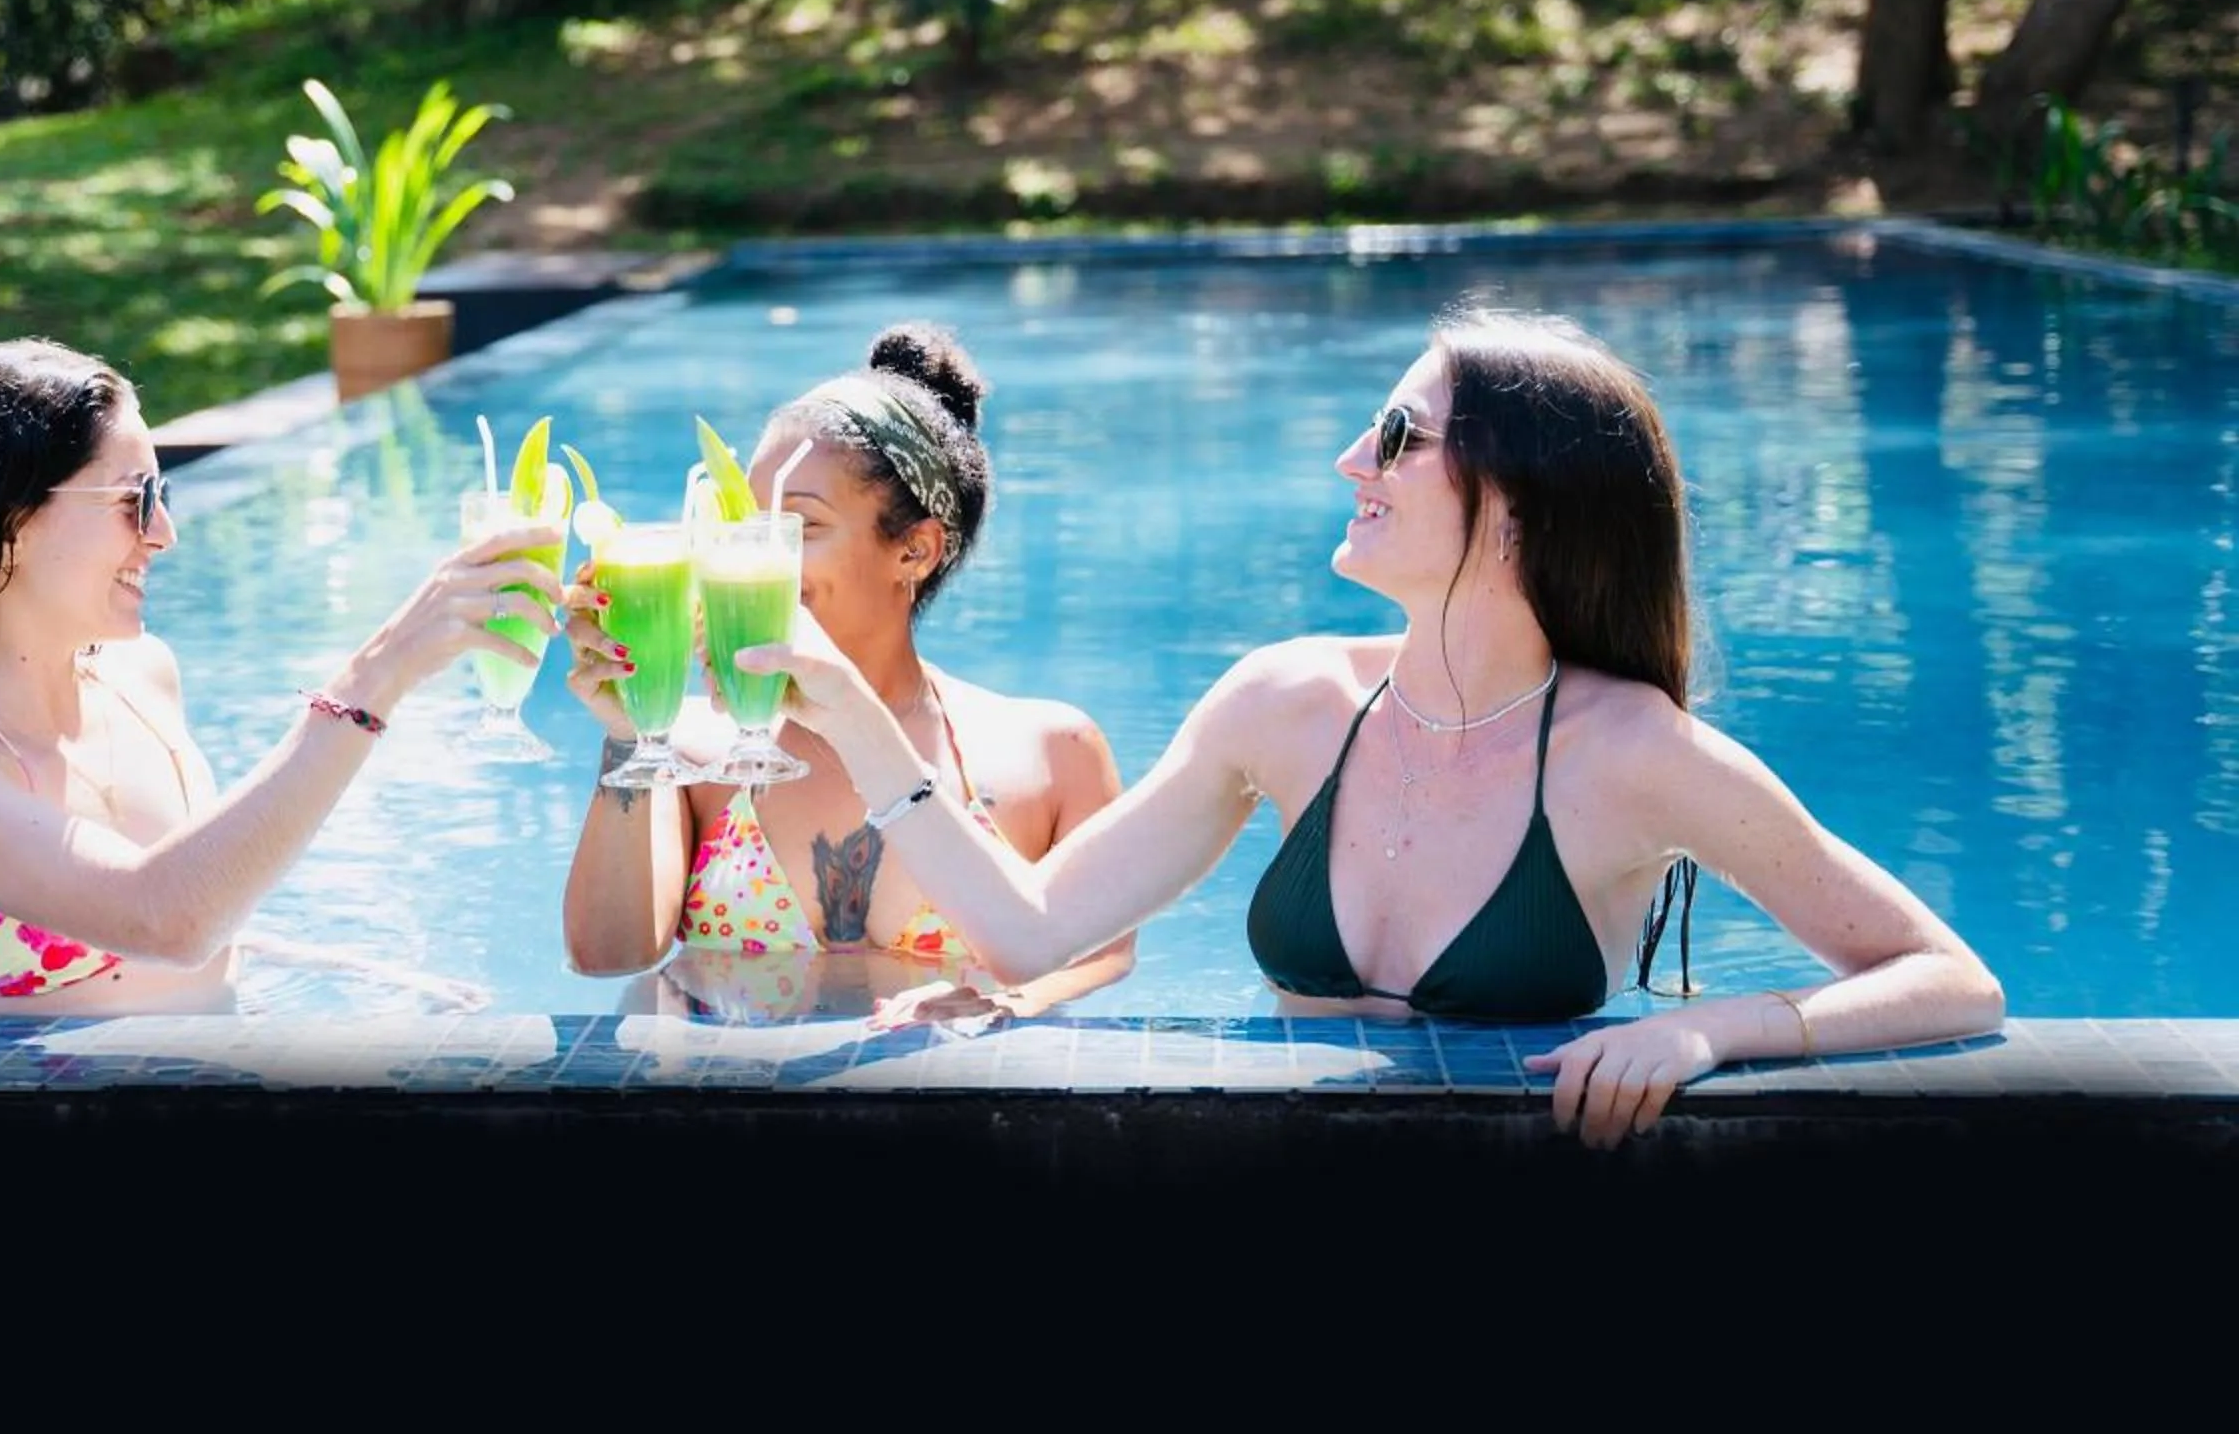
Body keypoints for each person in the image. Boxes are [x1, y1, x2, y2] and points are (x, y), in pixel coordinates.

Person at [736, 307, 2007, 1141]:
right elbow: (1024, 935)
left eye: (1398, 436)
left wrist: (1705, 1027)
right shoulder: (1285, 705)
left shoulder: (1632, 755)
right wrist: (851, 714)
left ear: (1515, 504)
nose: (1353, 456)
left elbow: (1950, 981)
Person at [0, 338, 564, 1015]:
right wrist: (376, 676)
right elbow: (163, 922)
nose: (163, 535)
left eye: (162, 497)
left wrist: (362, 974)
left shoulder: (141, 678)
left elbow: (196, 935)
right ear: (6, 520)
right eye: (132, 501)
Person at [560, 323, 1135, 1028]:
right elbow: (608, 955)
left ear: (916, 550)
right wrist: (629, 736)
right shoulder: (689, 749)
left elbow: (1102, 954)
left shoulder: (1049, 751)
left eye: (798, 528)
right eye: (747, 524)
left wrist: (1006, 1003)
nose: (758, 558)